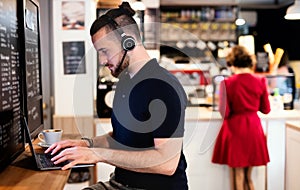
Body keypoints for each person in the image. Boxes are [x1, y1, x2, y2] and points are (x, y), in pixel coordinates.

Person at [45, 2, 188, 190]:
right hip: (120, 183)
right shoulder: (125, 80)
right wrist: (86, 144)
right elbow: (122, 136)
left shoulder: (163, 86)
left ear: (128, 41)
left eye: (105, 51)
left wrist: (99, 155)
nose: (103, 61)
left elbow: (166, 163)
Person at [211, 45, 271, 190]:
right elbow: (266, 109)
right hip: (254, 129)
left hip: (235, 131)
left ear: (232, 63)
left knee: (238, 176)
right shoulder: (261, 81)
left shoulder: (227, 83)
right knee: (248, 178)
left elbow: (225, 113)